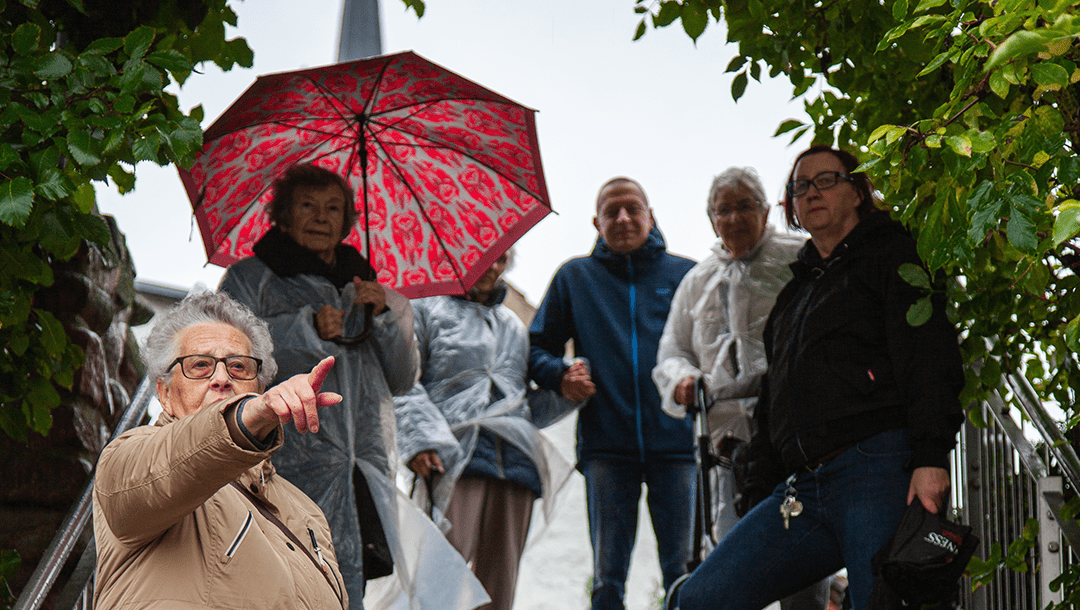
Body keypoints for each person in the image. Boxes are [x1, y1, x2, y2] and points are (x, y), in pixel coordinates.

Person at [667, 146, 965, 610]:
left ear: (859, 191)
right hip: (802, 488)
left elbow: (927, 357)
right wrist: (758, 484)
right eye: (800, 186)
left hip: (878, 468)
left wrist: (931, 456)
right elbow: (775, 397)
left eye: (826, 180)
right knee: (702, 597)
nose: (811, 192)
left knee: (879, 604)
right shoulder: (794, 295)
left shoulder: (892, 255)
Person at [219, 163, 420, 609]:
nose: (321, 217)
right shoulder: (252, 277)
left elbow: (404, 379)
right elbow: (227, 362)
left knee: (350, 586)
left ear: (348, 221)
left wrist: (386, 314)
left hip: (362, 466)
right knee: (285, 586)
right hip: (284, 463)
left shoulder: (363, 283)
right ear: (283, 216)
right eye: (307, 205)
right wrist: (302, 328)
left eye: (333, 208)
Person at [93, 292, 348, 610]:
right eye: (200, 365)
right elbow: (139, 488)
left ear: (260, 389)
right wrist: (244, 418)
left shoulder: (307, 510)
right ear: (165, 392)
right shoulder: (129, 454)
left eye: (239, 367)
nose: (222, 379)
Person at [653, 167, 829, 610]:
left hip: (796, 444)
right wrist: (681, 381)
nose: (733, 219)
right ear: (711, 219)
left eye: (744, 206)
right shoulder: (697, 281)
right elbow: (672, 350)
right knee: (728, 561)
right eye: (723, 210)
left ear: (767, 210)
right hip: (729, 449)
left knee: (802, 566)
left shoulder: (800, 257)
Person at [529, 177, 697, 610]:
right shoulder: (575, 277)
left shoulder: (687, 275)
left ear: (650, 215)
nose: (623, 218)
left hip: (678, 446)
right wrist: (560, 374)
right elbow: (535, 348)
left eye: (632, 209)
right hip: (607, 448)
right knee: (607, 578)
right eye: (611, 211)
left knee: (684, 573)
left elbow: (711, 348)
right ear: (596, 221)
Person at [395, 250, 581, 610]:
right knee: (440, 579)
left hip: (516, 467)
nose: (492, 266)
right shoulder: (425, 309)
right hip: (451, 459)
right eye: (484, 256)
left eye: (502, 259)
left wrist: (570, 395)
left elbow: (521, 407)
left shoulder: (514, 325)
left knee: (500, 587)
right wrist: (419, 442)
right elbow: (404, 381)